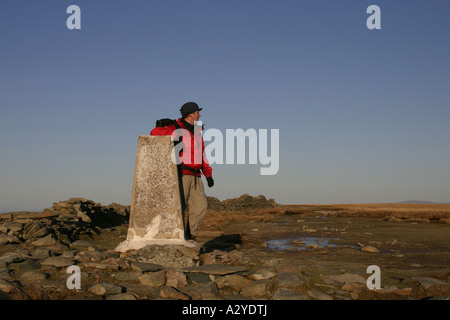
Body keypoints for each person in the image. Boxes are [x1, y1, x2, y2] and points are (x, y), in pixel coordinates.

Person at [150, 102, 214, 240]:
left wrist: (208, 175)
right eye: (197, 112)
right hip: (182, 174)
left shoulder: (197, 131)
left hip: (197, 176)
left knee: (201, 208)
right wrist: (162, 126)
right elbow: (154, 133)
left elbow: (202, 155)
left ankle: (190, 235)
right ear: (190, 114)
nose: (199, 115)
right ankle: (177, 236)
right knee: (178, 208)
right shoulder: (176, 127)